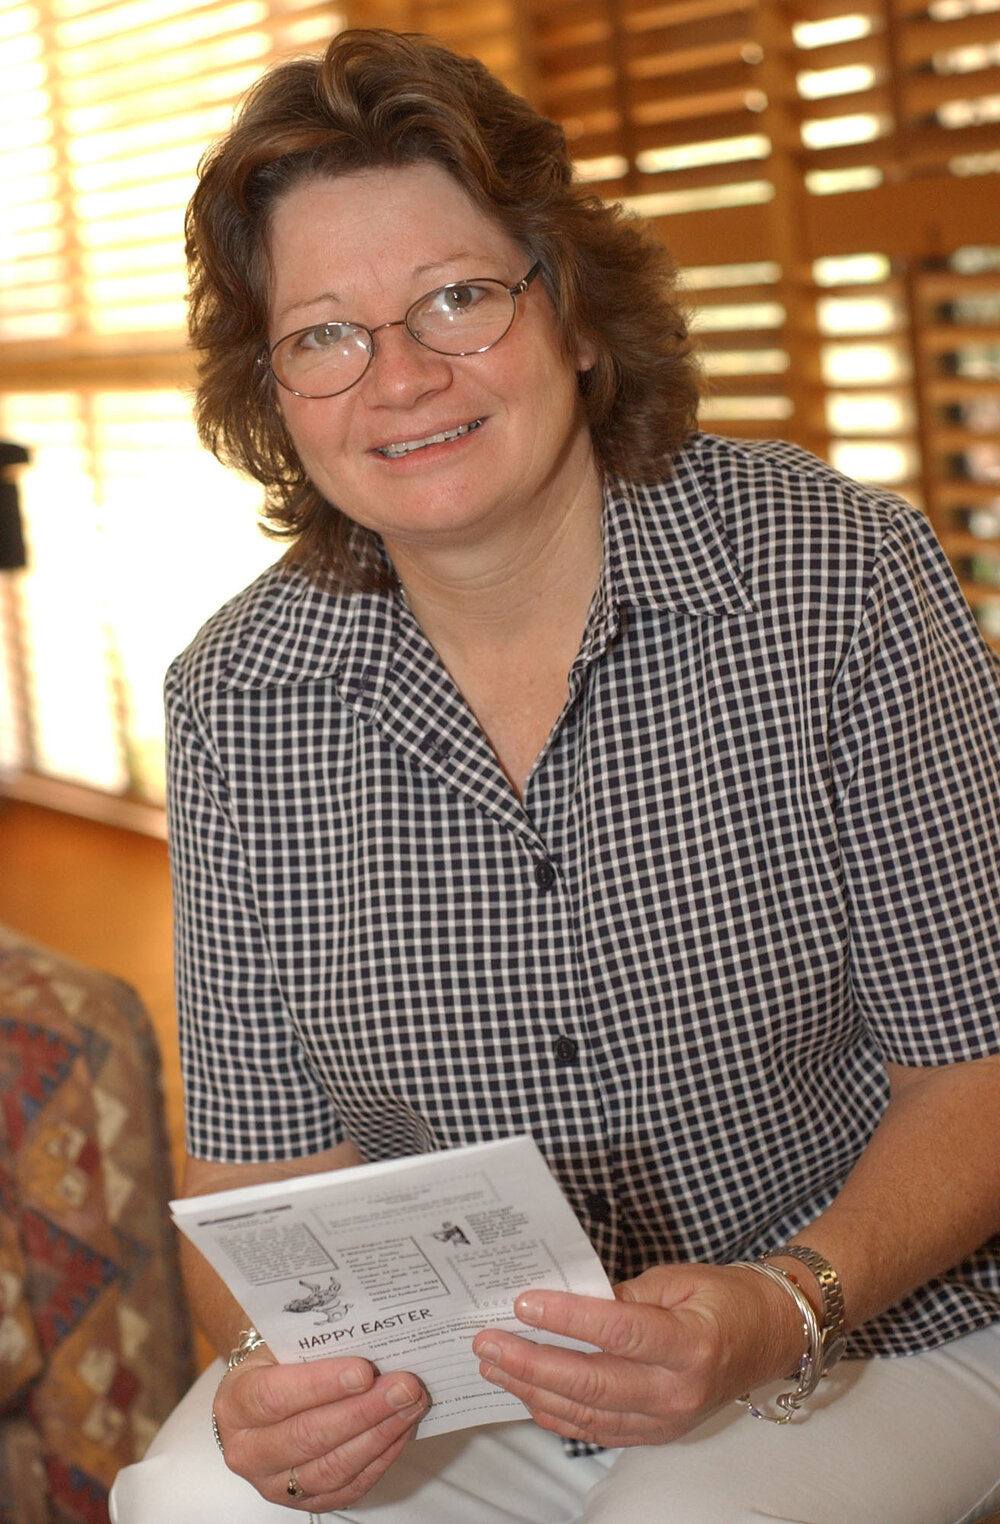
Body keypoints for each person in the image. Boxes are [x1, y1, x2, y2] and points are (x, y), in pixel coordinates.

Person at [109, 26, 1000, 1524]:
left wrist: (778, 1308)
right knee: (186, 1502)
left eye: (457, 298)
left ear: (576, 316)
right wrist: (277, 1379)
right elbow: (251, 1181)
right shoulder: (236, 701)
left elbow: (978, 1074)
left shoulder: (833, 575)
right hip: (460, 1372)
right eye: (325, 333)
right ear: (276, 394)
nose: (400, 376)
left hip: (869, 1316)